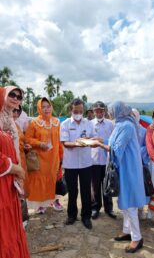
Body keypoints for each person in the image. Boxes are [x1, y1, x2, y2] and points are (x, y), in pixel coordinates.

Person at [93, 101, 146, 253]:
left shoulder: (126, 126)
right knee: (125, 202)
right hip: (123, 168)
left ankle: (137, 238)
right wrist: (102, 141)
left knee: (130, 204)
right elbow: (113, 142)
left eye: (110, 110)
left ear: (118, 111)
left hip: (128, 169)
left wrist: (100, 145)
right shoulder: (120, 123)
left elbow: (116, 149)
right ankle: (127, 231)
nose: (109, 113)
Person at [0, 87, 31, 258]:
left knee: (11, 230)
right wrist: (13, 168)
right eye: (11, 94)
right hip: (3, 182)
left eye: (19, 96)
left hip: (9, 185)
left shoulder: (9, 120)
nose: (16, 98)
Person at [60, 98, 96, 229]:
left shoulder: (89, 123)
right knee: (73, 191)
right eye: (76, 111)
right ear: (71, 110)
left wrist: (90, 141)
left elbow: (93, 138)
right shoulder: (65, 124)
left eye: (81, 111)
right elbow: (65, 143)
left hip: (86, 163)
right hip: (70, 164)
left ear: (84, 110)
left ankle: (86, 217)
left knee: (86, 191)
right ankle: (72, 215)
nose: (78, 113)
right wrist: (79, 143)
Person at [25, 97, 63, 214]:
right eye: (43, 107)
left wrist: (61, 156)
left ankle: (52, 201)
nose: (46, 109)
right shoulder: (35, 123)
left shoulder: (56, 122)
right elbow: (27, 139)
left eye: (48, 106)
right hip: (40, 158)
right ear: (39, 108)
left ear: (51, 107)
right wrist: (39, 143)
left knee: (53, 181)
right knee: (39, 182)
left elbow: (59, 141)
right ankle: (40, 205)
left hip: (53, 158)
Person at [91, 101, 116, 220]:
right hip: (94, 159)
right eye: (96, 110)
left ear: (104, 111)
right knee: (95, 186)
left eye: (101, 110)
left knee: (107, 184)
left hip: (106, 159)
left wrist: (101, 140)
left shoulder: (111, 124)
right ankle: (95, 207)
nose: (99, 112)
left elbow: (113, 140)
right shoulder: (90, 124)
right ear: (93, 111)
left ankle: (109, 208)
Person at [132, 108, 152, 219]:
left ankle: (140, 209)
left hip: (140, 164)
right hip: (129, 165)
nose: (132, 118)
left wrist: (135, 152)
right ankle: (132, 210)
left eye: (134, 116)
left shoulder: (144, 131)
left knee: (141, 186)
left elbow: (147, 147)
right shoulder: (126, 130)